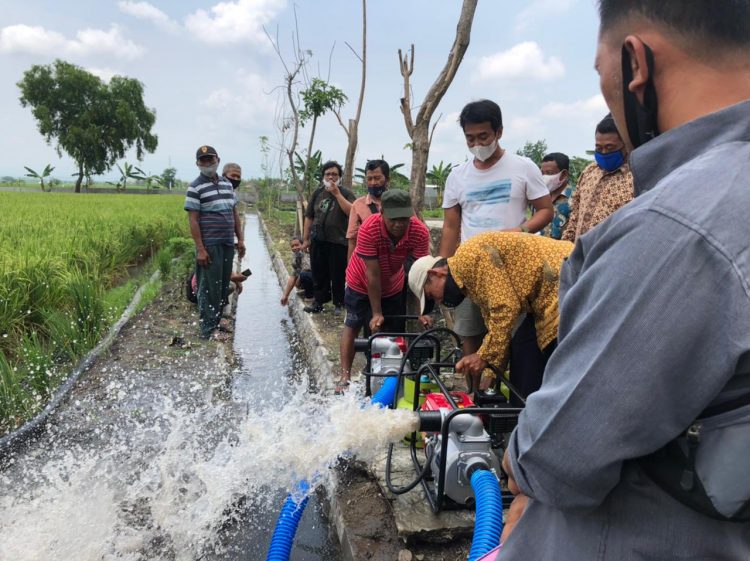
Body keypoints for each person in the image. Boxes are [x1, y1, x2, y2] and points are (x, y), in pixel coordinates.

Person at [499, 2, 750, 558]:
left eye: (601, 72)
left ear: (635, 63)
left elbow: (558, 457)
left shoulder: (678, 228)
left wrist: (518, 463)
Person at [440, 99, 553, 365]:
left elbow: (546, 210)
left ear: (499, 132)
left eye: (483, 136)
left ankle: (509, 399)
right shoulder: (457, 176)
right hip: (470, 272)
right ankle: (474, 401)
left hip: (513, 270)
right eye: (470, 138)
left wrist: (521, 230)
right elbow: (451, 226)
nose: (477, 144)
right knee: (471, 336)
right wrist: (444, 267)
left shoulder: (523, 167)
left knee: (514, 339)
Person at [408, 232, 573, 396]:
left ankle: (533, 413)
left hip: (564, 281)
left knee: (547, 360)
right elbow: (497, 332)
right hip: (547, 294)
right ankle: (521, 413)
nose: (438, 301)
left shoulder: (469, 257)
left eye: (431, 296)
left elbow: (506, 308)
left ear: (436, 274)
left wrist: (482, 357)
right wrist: (488, 381)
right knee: (522, 349)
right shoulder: (470, 283)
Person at [338, 190, 431, 394]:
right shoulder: (369, 228)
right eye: (393, 219)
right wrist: (377, 312)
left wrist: (422, 311)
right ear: (382, 213)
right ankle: (344, 376)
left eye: (404, 219)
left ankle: (386, 373)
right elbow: (372, 275)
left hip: (392, 282)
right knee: (353, 324)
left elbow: (419, 274)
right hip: (360, 281)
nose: (399, 224)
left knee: (392, 332)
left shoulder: (419, 232)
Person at [185, 145, 246, 341]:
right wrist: (201, 249)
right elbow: (193, 220)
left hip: (228, 243)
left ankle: (217, 321)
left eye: (210, 159)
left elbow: (234, 214)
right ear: (198, 164)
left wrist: (241, 239)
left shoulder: (227, 185)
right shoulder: (195, 187)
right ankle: (208, 330)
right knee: (209, 287)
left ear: (217, 160)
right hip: (209, 245)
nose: (207, 164)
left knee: (221, 286)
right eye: (203, 161)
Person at [561, 114, 634, 243]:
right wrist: (566, 246)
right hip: (578, 255)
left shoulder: (635, 177)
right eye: (599, 148)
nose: (604, 153)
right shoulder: (589, 172)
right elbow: (575, 215)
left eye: (610, 147)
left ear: (625, 145)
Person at [302, 161, 355, 314]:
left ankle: (339, 303)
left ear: (340, 177)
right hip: (318, 240)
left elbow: (352, 212)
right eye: (328, 174)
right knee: (318, 273)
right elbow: (309, 216)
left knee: (338, 274)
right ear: (323, 176)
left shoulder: (346, 193)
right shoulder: (318, 193)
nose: (331, 177)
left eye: (334, 174)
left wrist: (337, 194)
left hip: (338, 241)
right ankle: (318, 302)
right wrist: (306, 239)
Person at [347, 159, 390, 260]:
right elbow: (353, 240)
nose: (373, 183)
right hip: (368, 262)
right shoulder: (358, 205)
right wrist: (350, 268)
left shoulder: (399, 202)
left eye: (377, 178)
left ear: (387, 179)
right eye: (369, 179)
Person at [539, 152, 575, 240]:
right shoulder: (540, 197)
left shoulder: (575, 198)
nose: (544, 177)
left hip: (565, 251)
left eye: (549, 173)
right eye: (542, 173)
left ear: (564, 174)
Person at [280, 236, 314, 306]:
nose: (295, 248)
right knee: (299, 278)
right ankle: (310, 291)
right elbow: (293, 276)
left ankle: (310, 297)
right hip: (312, 278)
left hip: (320, 278)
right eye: (292, 246)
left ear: (302, 245)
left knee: (303, 276)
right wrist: (285, 295)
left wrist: (298, 279)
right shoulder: (296, 257)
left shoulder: (306, 253)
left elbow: (307, 270)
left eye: (297, 245)